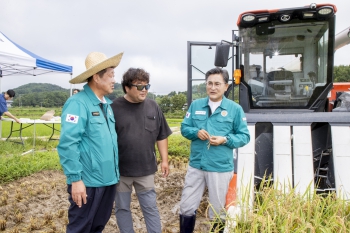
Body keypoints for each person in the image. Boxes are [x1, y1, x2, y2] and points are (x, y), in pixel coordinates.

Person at [57, 51, 123, 233]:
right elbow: (68, 144)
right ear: (96, 77)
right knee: (80, 227)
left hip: (108, 180)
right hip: (88, 182)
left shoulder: (107, 105)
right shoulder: (77, 104)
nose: (113, 80)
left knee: (97, 226)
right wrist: (75, 179)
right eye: (110, 75)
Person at [179, 67, 250, 233]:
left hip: (219, 167)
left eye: (217, 84)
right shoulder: (196, 105)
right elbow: (184, 128)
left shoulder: (235, 109)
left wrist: (225, 139)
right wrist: (195, 132)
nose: (212, 87)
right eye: (209, 83)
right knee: (186, 206)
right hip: (196, 165)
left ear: (226, 86)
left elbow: (244, 136)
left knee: (217, 211)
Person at [111, 67, 172, 233]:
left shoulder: (153, 106)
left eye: (147, 86)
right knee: (122, 208)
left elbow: (162, 135)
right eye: (139, 86)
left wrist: (164, 160)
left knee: (150, 207)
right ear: (127, 87)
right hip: (120, 171)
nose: (144, 90)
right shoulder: (113, 107)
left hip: (145, 170)